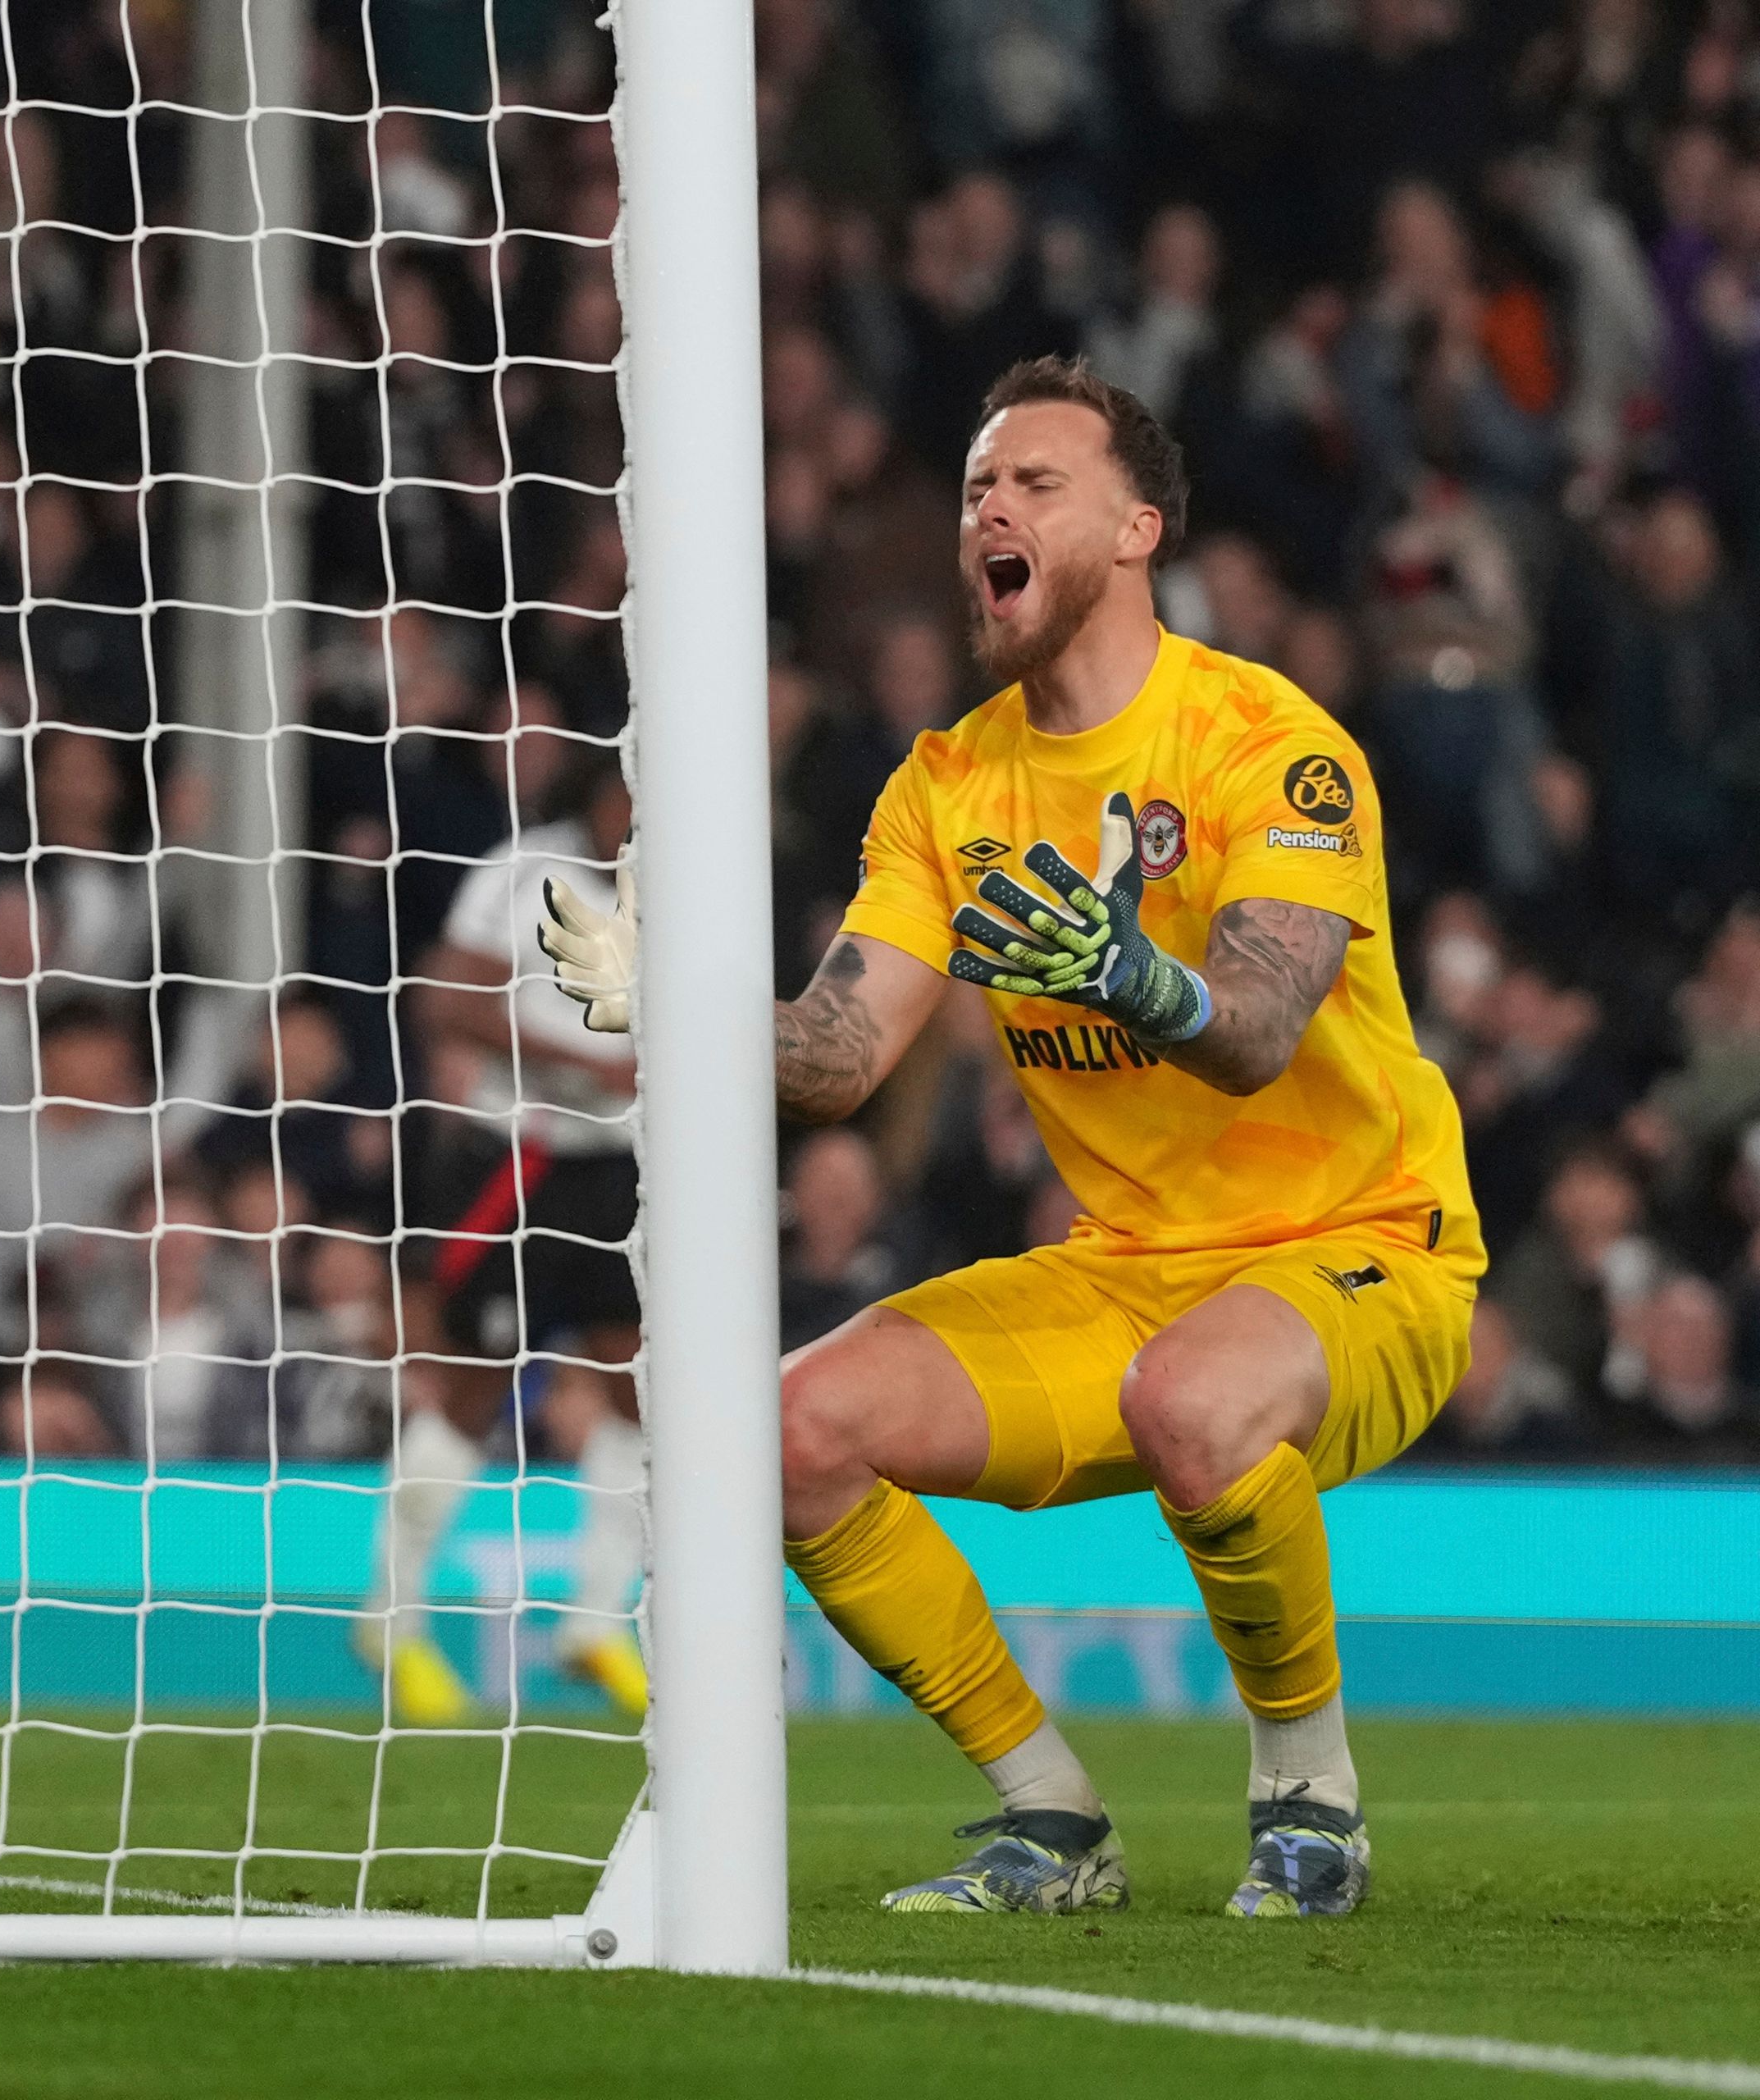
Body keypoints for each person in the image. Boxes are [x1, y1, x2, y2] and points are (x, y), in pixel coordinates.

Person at [545, 357, 1479, 1920]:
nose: (992, 505)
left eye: (1036, 482)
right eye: (981, 485)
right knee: (786, 1435)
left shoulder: (1272, 744)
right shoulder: (950, 784)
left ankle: (1307, 1795)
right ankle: (1054, 1821)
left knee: (1194, 1398)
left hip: (1361, 1250)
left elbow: (1253, 1030)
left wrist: (1133, 974)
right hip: (1126, 1276)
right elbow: (841, 1056)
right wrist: (679, 1011)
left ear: (1138, 529)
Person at [365, 752, 645, 1728]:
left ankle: (596, 1621)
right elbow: (446, 1002)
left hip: (620, 1170)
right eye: (630, 788)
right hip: (513, 1159)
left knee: (638, 1387)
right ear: (597, 790)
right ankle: (391, 1620)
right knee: (475, 1389)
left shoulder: (683, 877)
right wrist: (588, 1070)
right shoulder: (526, 870)